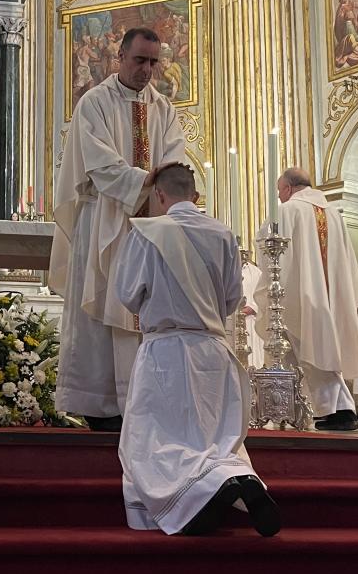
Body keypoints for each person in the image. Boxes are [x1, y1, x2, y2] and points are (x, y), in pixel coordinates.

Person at [114, 164, 280, 537]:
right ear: (195, 194)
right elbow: (233, 297)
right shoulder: (221, 234)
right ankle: (233, 476)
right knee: (210, 437)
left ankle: (194, 497)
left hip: (165, 352)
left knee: (155, 436)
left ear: (159, 195)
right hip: (211, 350)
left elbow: (127, 294)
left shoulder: (146, 233)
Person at [50, 28, 187, 431]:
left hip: (151, 224)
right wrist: (146, 182)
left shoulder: (164, 108)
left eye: (153, 62)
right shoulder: (94, 102)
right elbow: (99, 162)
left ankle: (146, 401)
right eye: (139, 60)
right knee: (101, 307)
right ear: (120, 58)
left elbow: (175, 158)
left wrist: (160, 186)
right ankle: (101, 405)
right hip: (105, 220)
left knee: (143, 311)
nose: (147, 70)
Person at [256, 168, 358, 431]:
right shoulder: (332, 213)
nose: (279, 196)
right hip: (330, 295)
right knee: (313, 350)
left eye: (279, 190)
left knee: (311, 351)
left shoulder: (287, 210)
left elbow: (268, 247)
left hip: (299, 293)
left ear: (288, 188)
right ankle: (289, 409)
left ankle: (338, 410)